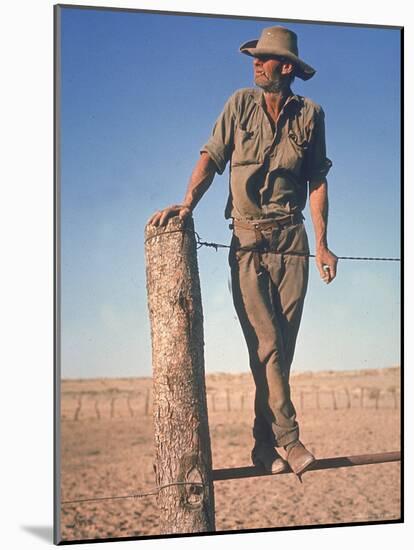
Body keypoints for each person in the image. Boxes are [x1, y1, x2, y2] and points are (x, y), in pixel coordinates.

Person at [149, 26, 338, 478]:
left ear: (285, 67)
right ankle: (289, 441)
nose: (256, 63)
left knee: (279, 352)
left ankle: (261, 445)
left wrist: (324, 243)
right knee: (267, 344)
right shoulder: (238, 105)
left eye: (265, 57)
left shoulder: (311, 115)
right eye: (255, 56)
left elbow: (317, 181)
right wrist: (187, 202)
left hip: (293, 242)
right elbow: (212, 157)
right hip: (248, 240)